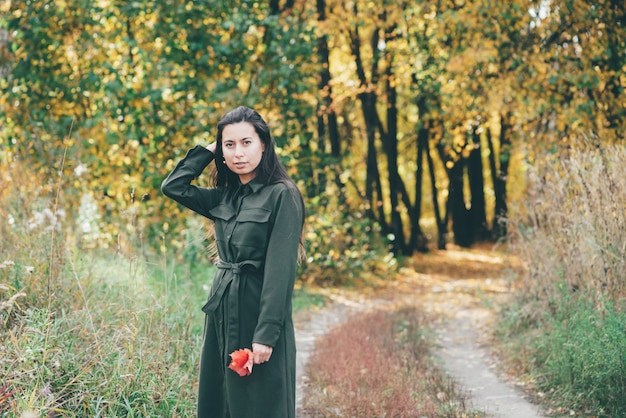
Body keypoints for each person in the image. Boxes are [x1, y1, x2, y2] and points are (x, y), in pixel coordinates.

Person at [161, 106, 305, 418]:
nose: (238, 153)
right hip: (222, 310)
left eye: (246, 142)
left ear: (264, 145)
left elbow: (280, 271)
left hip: (257, 310)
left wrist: (266, 333)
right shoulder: (223, 197)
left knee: (260, 400)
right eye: (230, 145)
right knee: (219, 397)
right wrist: (208, 151)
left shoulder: (283, 195)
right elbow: (173, 187)